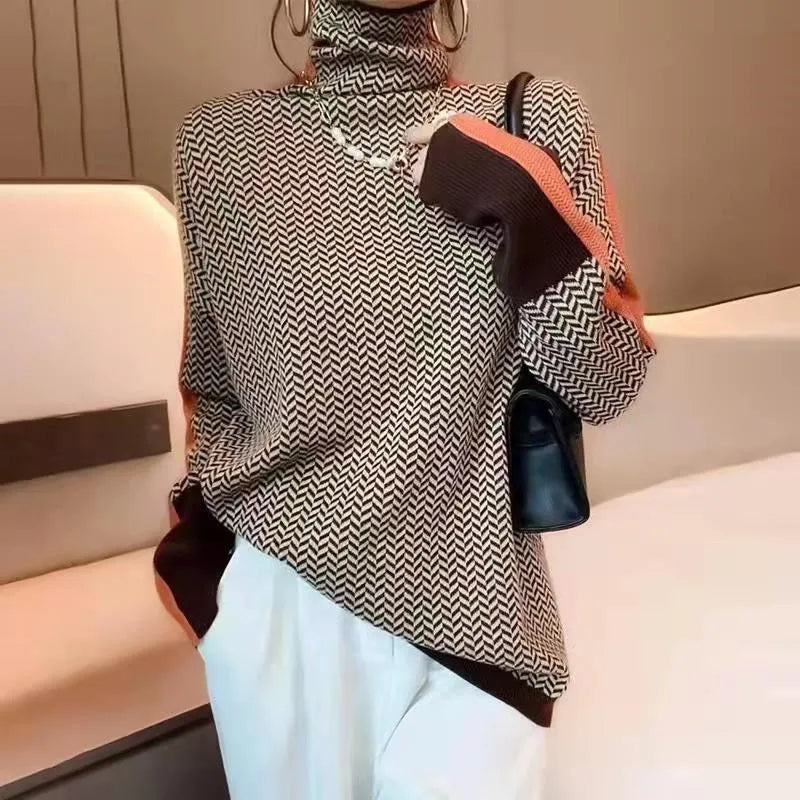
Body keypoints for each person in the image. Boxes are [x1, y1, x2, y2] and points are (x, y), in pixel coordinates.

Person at [154, 0, 655, 797]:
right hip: (283, 622)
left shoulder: (534, 122)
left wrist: (523, 205)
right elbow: (212, 389)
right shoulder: (219, 145)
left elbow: (610, 379)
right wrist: (217, 594)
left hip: (482, 640)